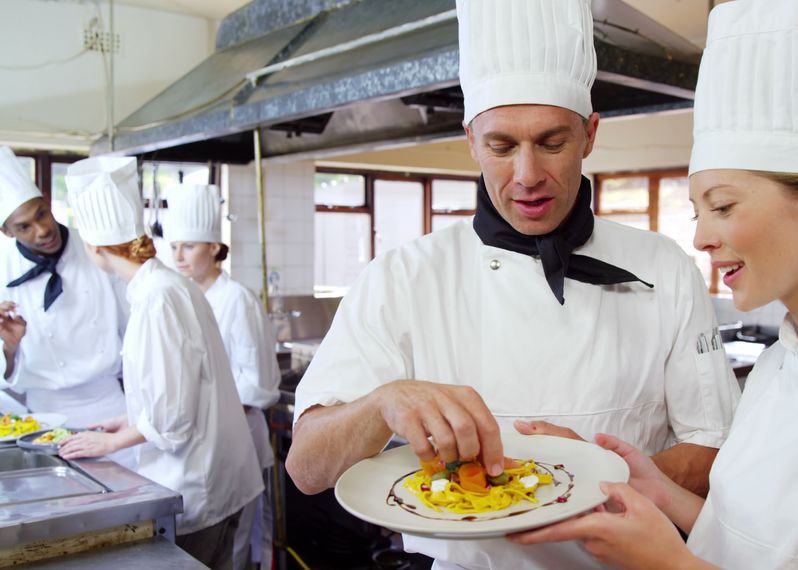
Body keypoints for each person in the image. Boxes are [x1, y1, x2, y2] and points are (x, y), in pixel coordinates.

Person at [510, 1, 798, 568]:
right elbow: (761, 540)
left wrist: (671, 563)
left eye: (724, 206)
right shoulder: (780, 364)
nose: (704, 238)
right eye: (697, 213)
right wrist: (655, 491)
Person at [287, 0, 740, 567]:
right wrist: (382, 403)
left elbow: (712, 449)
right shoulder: (403, 277)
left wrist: (582, 475)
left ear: (590, 134)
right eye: (502, 147)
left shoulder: (665, 267)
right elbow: (306, 469)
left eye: (552, 143)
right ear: (472, 140)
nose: (527, 176)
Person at [57, 156, 263, 570]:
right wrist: (127, 419)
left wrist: (114, 442)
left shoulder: (158, 299)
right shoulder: (165, 288)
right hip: (214, 478)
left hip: (198, 485)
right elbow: (184, 388)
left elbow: (173, 420)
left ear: (95, 248)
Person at [0, 146, 128, 432]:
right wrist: (9, 347)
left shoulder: (97, 250)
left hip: (111, 405)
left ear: (48, 202)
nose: (42, 230)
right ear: (6, 231)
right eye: (24, 227)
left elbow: (135, 327)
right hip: (44, 417)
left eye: (42, 214)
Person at [164, 183, 281, 570]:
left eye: (189, 246)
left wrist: (202, 405)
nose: (178, 256)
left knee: (237, 544)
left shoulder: (237, 301)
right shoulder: (179, 297)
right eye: (174, 246)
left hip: (237, 440)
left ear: (214, 247)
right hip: (197, 443)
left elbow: (261, 384)